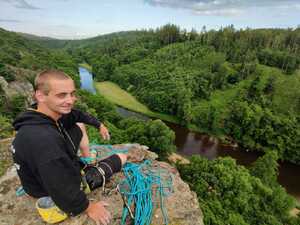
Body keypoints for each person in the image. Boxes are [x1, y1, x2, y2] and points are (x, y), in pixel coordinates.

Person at [12, 69, 127, 225]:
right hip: (47, 189)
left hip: (39, 177)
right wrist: (88, 207)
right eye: (61, 95)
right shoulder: (45, 141)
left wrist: (99, 125)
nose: (70, 100)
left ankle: (87, 158)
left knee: (77, 123)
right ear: (40, 96)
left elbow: (78, 115)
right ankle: (90, 163)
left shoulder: (38, 115)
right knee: (122, 157)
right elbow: (61, 187)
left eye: (72, 94)